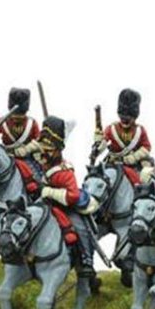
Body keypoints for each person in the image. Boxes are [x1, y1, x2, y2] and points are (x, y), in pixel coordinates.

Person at [36, 116, 99, 277]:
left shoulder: (64, 172)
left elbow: (72, 196)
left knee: (79, 227)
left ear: (58, 150)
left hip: (65, 205)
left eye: (49, 148)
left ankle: (86, 259)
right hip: (44, 201)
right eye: (42, 146)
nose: (44, 151)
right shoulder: (40, 163)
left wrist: (50, 192)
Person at [96, 88, 153, 185]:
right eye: (122, 117)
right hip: (113, 163)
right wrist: (97, 148)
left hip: (133, 165)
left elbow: (146, 147)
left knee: (145, 177)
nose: (125, 121)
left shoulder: (140, 131)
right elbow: (104, 142)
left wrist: (133, 158)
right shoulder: (112, 129)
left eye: (128, 118)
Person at [0, 87, 42, 173]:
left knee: (37, 176)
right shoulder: (2, 122)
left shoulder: (32, 123)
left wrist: (27, 149)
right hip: (6, 157)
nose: (16, 119)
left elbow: (39, 141)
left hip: (26, 158)